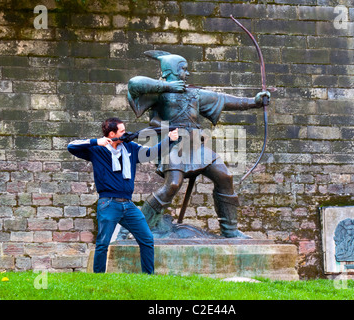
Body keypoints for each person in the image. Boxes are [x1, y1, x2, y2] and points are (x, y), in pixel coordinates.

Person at [127, 50, 270, 238]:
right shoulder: (158, 93)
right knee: (172, 185)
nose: (187, 74)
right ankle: (138, 229)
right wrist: (167, 87)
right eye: (183, 70)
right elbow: (133, 84)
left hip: (196, 145)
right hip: (174, 145)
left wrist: (254, 102)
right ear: (171, 71)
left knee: (225, 177)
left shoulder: (194, 94)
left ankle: (230, 230)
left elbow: (224, 100)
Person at [67, 117, 179, 273]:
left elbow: (151, 153)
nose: (125, 134)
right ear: (112, 134)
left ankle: (149, 276)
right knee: (103, 243)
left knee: (147, 239)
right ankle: (98, 279)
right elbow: (71, 146)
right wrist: (96, 141)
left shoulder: (130, 147)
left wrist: (169, 140)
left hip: (128, 204)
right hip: (108, 204)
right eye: (122, 131)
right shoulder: (97, 150)